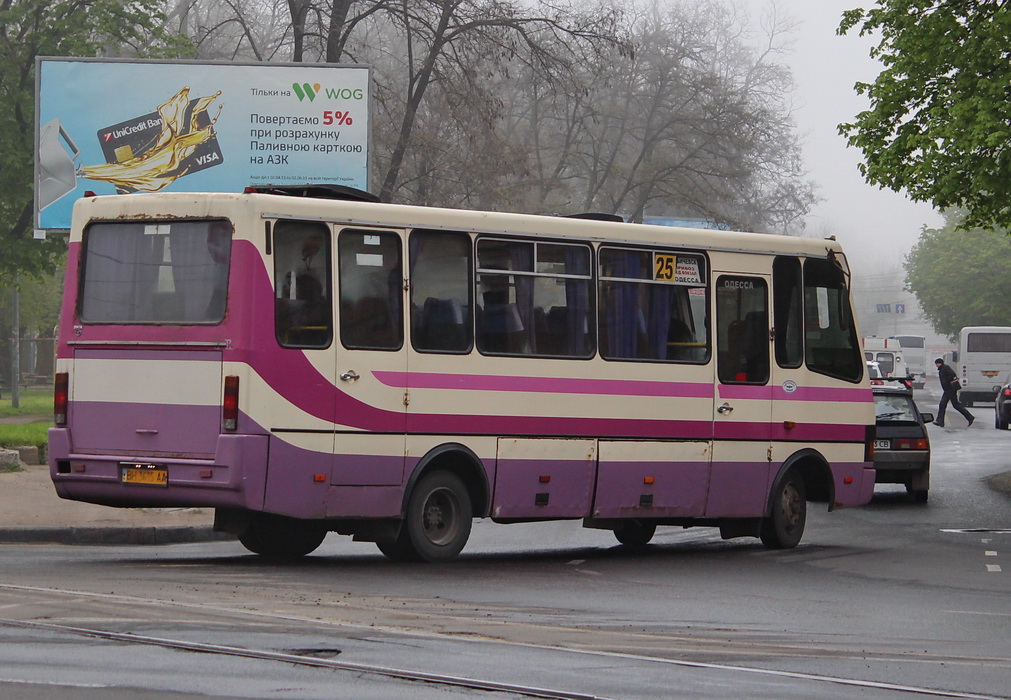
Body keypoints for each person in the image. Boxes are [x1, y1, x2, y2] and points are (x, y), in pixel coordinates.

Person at [933, 357, 973, 427]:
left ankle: (940, 421)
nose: (936, 365)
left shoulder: (945, 368)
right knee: (954, 405)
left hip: (950, 389)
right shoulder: (943, 368)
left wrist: (947, 382)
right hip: (949, 389)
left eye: (936, 364)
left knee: (943, 405)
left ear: (939, 363)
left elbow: (952, 374)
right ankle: (969, 417)